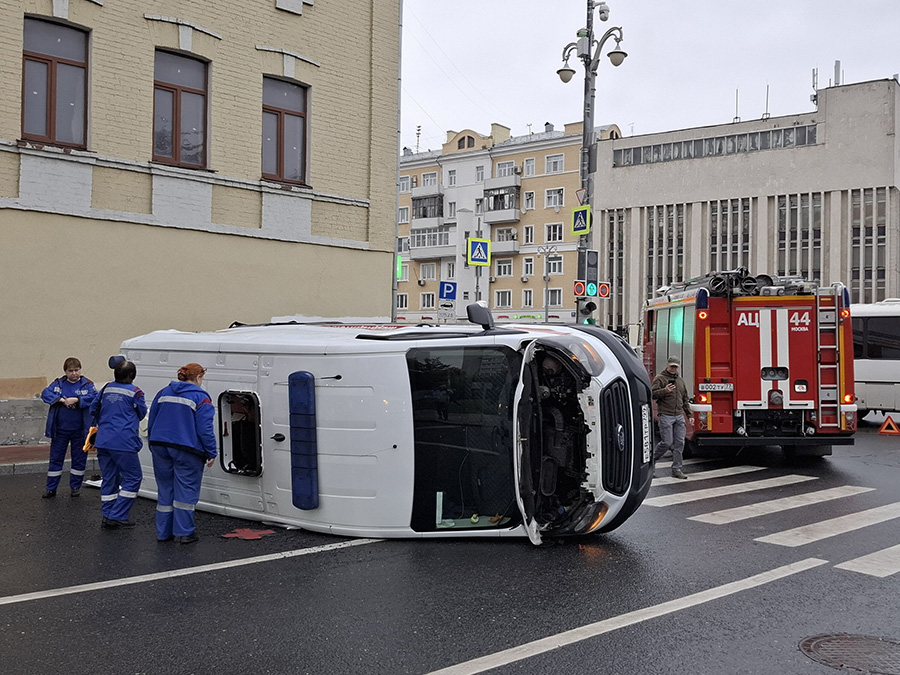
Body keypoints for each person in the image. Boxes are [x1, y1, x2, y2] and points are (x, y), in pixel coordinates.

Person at [147, 363, 217, 544]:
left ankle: (163, 533)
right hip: (187, 449)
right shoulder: (201, 397)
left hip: (159, 445)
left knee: (165, 489)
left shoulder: (163, 392)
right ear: (199, 377)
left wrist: (153, 442)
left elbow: (152, 418)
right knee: (186, 490)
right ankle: (184, 532)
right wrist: (211, 452)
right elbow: (205, 429)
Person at [90, 359, 148, 528]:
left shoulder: (106, 388)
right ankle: (117, 515)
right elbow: (142, 413)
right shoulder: (136, 392)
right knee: (133, 477)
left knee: (109, 478)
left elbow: (93, 409)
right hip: (123, 441)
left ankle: (107, 515)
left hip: (103, 439)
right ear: (132, 375)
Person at [40, 357, 97, 498]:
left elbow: (95, 398)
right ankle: (51, 488)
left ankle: (75, 487)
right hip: (60, 430)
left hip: (80, 431)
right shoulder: (58, 384)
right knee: (56, 459)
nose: (74, 373)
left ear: (80, 370)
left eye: (76, 370)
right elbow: (45, 393)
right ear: (65, 371)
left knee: (79, 459)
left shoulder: (87, 384)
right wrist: (60, 400)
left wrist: (77, 400)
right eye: (70, 371)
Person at [651, 356, 693, 479]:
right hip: (665, 415)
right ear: (667, 365)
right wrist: (665, 390)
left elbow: (685, 399)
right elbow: (651, 394)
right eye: (672, 366)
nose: (673, 369)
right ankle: (651, 462)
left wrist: (689, 415)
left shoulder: (680, 381)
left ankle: (677, 469)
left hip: (679, 415)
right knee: (667, 442)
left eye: (675, 367)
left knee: (680, 442)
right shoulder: (660, 378)